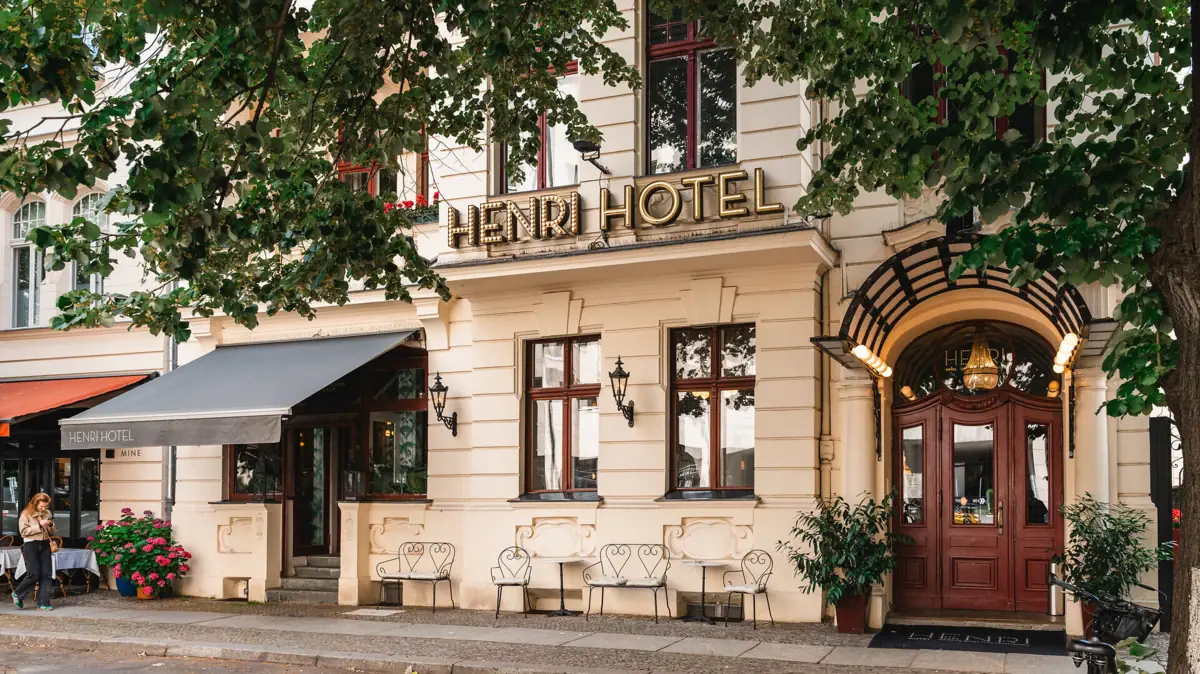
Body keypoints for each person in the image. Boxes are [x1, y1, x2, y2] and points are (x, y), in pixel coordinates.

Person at [12, 493, 55, 610]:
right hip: (31, 544)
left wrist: (50, 524)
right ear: (35, 503)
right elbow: (23, 532)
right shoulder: (26, 514)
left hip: (45, 543)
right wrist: (40, 525)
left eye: (46, 506)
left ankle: (43, 603)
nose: (44, 509)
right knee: (34, 573)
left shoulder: (47, 513)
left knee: (47, 574)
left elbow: (51, 531)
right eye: (42, 506)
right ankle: (18, 593)